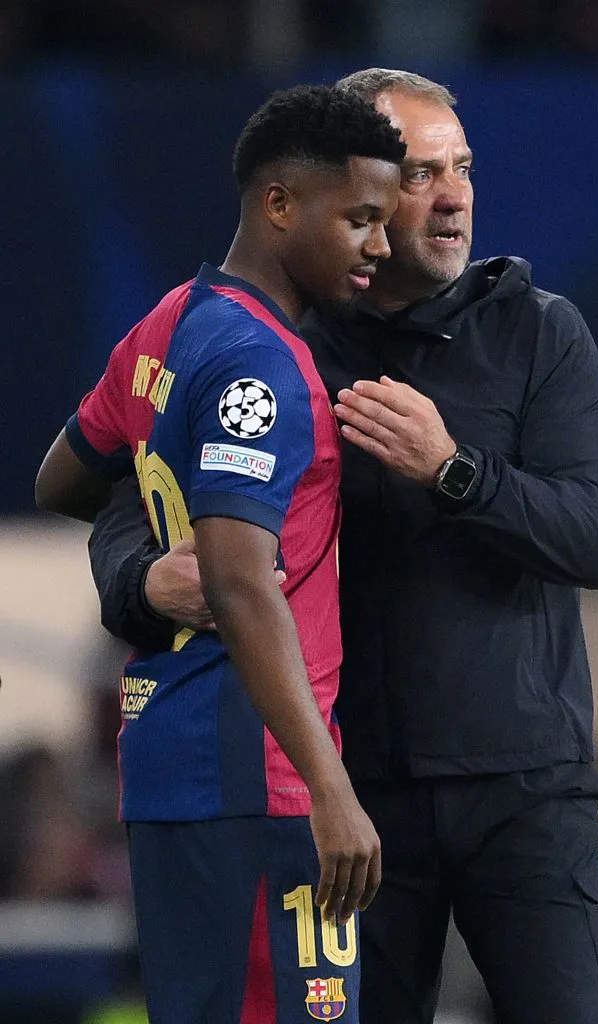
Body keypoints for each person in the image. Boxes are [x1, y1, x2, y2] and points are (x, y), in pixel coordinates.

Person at [87, 69, 598, 1024]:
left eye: (463, 168)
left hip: (523, 792)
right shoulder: (281, 338)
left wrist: (454, 470)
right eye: (421, 175)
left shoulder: (541, 333)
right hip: (351, 792)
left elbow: (592, 539)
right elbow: (130, 494)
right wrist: (140, 580)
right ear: (359, 187)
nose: (454, 195)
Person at [35, 84, 407, 1024]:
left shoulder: (170, 322)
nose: (378, 245)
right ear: (279, 203)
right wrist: (331, 790)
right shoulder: (261, 368)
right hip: (259, 777)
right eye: (360, 218)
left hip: (170, 765)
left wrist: (145, 558)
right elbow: (242, 584)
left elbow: (63, 481)